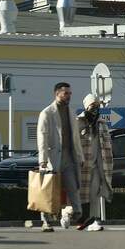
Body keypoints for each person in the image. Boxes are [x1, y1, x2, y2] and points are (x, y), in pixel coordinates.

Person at [37, 82, 85, 232]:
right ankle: (46, 221)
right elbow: (42, 137)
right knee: (48, 191)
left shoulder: (71, 112)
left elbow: (76, 137)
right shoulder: (47, 113)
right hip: (52, 157)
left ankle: (79, 217)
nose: (69, 96)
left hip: (69, 156)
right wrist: (43, 159)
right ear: (57, 94)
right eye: (66, 94)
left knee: (73, 188)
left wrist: (80, 156)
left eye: (70, 93)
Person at [76, 94, 113, 232]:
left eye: (97, 106)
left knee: (95, 194)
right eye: (93, 106)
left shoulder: (101, 124)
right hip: (82, 166)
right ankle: (66, 214)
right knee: (78, 195)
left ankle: (94, 220)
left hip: (97, 166)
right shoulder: (78, 122)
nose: (95, 109)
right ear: (86, 106)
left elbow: (108, 143)